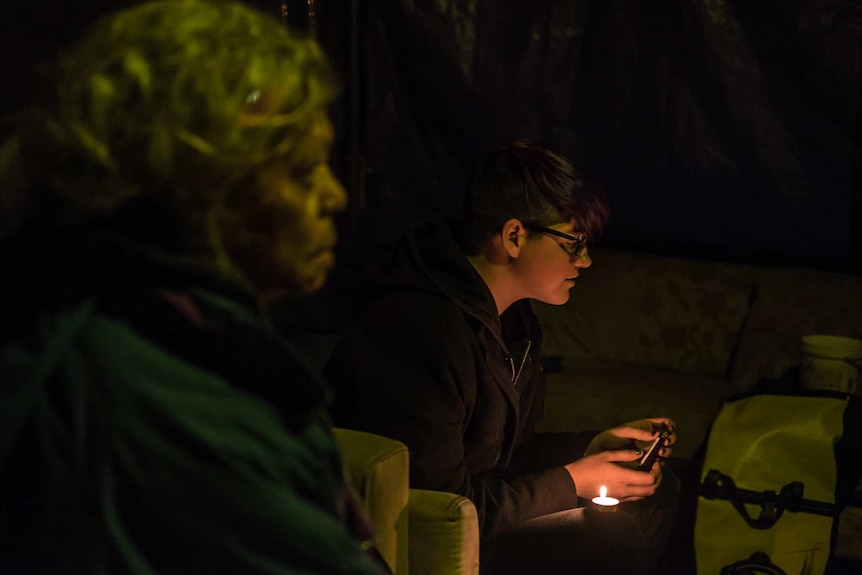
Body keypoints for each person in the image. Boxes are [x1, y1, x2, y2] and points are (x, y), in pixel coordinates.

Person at [0, 1, 388, 573]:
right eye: (304, 169)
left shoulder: (157, 333)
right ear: (204, 180)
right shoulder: (161, 406)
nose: (335, 197)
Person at [324, 140, 680, 574]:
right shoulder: (419, 330)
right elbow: (441, 509)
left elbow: (502, 458)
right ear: (514, 236)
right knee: (612, 535)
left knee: (657, 495)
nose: (586, 261)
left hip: (479, 515)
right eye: (574, 243)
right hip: (419, 543)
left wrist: (587, 452)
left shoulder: (514, 323)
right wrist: (572, 481)